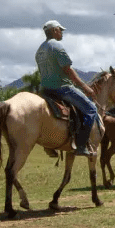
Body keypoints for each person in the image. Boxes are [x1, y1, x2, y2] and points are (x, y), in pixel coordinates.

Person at [35, 20, 98, 156]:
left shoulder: (39, 50)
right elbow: (68, 70)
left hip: (45, 90)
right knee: (91, 109)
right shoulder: (56, 46)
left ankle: (49, 145)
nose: (62, 32)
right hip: (62, 88)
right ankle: (81, 146)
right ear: (54, 31)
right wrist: (85, 87)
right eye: (60, 30)